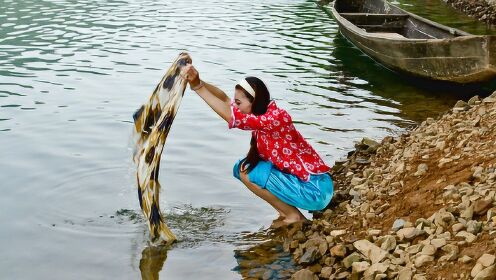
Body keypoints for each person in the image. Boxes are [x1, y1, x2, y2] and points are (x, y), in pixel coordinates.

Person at [181, 64, 334, 227]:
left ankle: (293, 216)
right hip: (311, 186)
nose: (236, 106)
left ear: (253, 100)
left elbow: (229, 115)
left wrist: (198, 87)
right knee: (245, 167)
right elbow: (225, 100)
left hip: (315, 191)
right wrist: (198, 83)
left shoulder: (274, 118)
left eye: (239, 102)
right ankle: (284, 211)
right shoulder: (262, 112)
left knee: (246, 171)